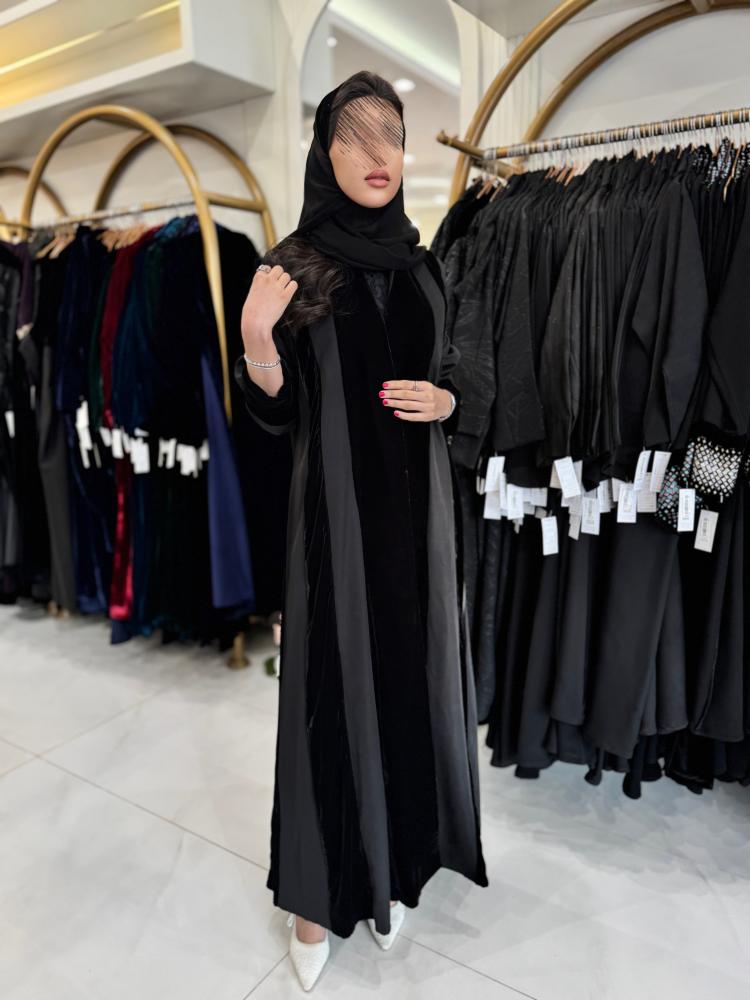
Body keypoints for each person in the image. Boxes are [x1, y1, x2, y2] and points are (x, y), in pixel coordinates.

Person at [235, 70, 488, 992]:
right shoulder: (293, 264)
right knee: (329, 697)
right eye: (359, 136)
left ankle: (397, 866)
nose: (381, 156)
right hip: (331, 524)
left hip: (416, 527)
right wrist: (257, 344)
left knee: (408, 687)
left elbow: (459, 369)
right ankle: (315, 895)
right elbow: (274, 420)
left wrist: (449, 400)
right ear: (326, 151)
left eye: (395, 136)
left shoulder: (423, 263)